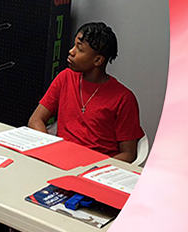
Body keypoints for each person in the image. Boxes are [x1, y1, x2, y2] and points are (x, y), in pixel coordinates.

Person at [28, 22, 144, 163]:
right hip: (59, 161)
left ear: (98, 60)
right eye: (74, 45)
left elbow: (128, 153)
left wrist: (95, 167)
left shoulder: (124, 99)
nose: (71, 51)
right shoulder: (65, 77)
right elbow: (35, 120)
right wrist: (50, 148)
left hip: (95, 169)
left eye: (80, 49)